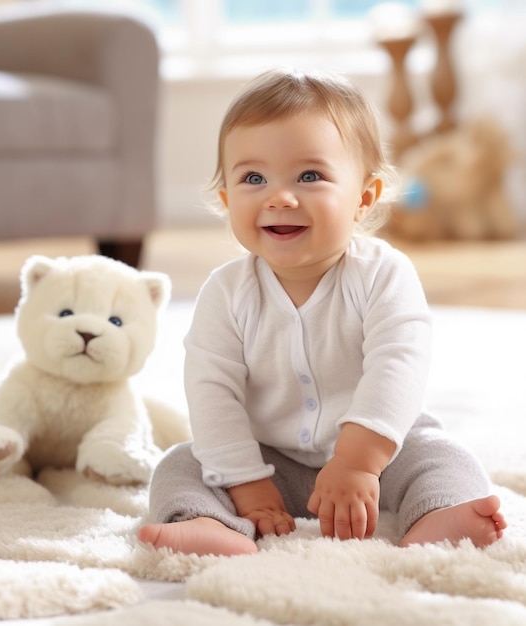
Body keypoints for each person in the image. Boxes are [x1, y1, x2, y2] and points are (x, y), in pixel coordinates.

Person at [138, 68, 506, 557]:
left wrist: (358, 461)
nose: (280, 197)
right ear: (227, 200)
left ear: (364, 198)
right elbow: (211, 391)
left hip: (379, 453)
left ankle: (440, 513)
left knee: (443, 457)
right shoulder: (226, 292)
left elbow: (398, 364)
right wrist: (245, 481)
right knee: (180, 464)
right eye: (253, 178)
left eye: (309, 176)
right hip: (267, 458)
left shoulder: (383, 275)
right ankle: (209, 523)